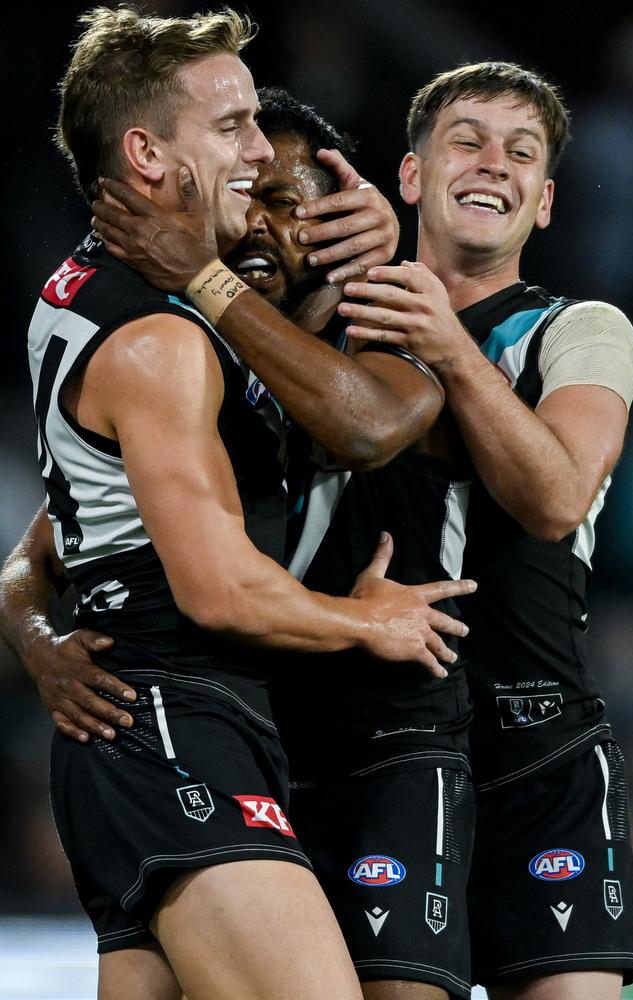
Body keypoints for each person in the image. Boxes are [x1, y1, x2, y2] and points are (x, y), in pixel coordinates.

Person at [15, 9, 477, 998]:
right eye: (230, 128)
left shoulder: (109, 293)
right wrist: (370, 620)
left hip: (158, 727)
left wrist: (28, 622)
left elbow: (364, 415)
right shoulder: (162, 342)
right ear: (145, 151)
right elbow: (218, 590)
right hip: (172, 715)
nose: (257, 148)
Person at [336, 62, 633, 999]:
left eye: (521, 153)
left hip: (542, 747)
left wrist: (448, 347)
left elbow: (553, 499)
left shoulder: (582, 331)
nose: (493, 164)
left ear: (543, 203)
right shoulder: (330, 324)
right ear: (413, 176)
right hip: (378, 741)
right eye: (465, 140)